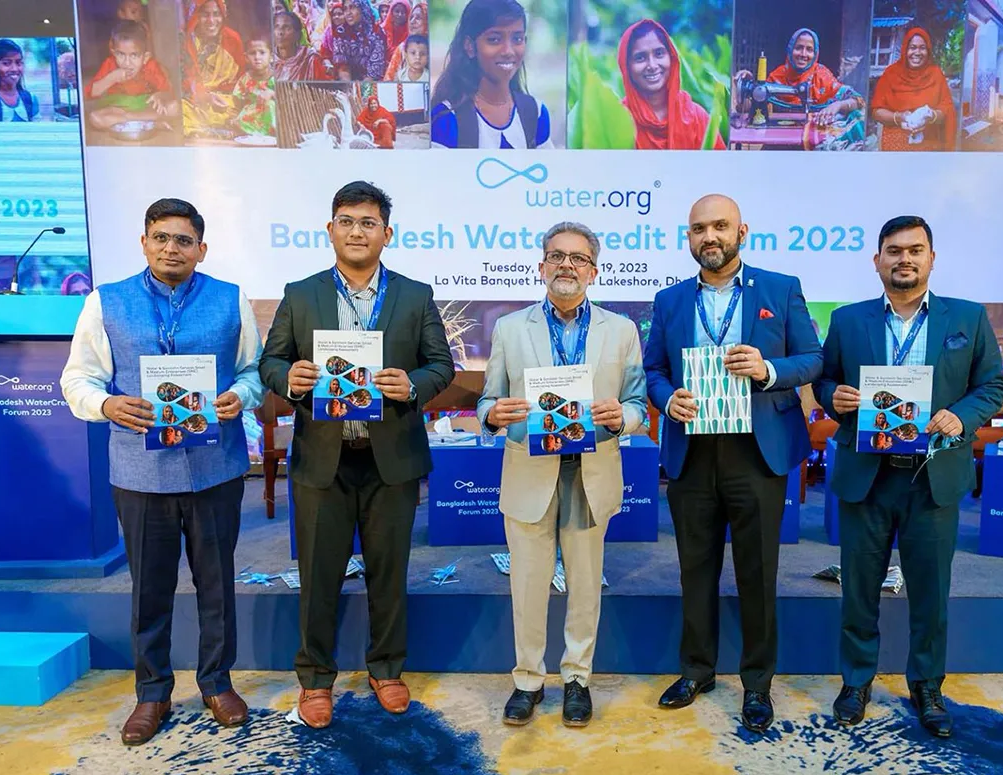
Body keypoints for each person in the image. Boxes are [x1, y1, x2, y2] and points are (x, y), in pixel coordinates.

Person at [60, 198, 264, 745]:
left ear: (202, 248)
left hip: (215, 470)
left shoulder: (230, 298)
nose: (171, 248)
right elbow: (78, 379)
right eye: (161, 238)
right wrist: (107, 404)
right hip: (140, 472)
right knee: (149, 588)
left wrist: (241, 396)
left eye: (183, 240)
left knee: (217, 584)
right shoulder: (106, 302)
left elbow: (252, 371)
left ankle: (217, 683)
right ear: (144, 243)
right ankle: (152, 693)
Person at [259, 181, 455, 728]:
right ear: (330, 230)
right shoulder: (301, 294)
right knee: (317, 575)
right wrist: (291, 379)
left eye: (368, 223)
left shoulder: (414, 295)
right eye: (346, 221)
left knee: (388, 573)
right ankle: (315, 679)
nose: (357, 231)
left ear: (386, 234)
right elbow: (270, 362)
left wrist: (412, 385)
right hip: (324, 456)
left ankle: (387, 670)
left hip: (391, 457)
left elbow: (441, 365)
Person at [816, 215, 1003, 738]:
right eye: (894, 251)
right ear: (877, 260)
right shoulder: (848, 320)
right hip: (868, 475)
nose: (905, 259)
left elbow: (993, 386)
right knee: (859, 589)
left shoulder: (967, 318)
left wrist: (961, 416)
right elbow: (825, 380)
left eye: (915, 250)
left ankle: (927, 686)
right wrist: (833, 397)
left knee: (930, 592)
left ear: (931, 258)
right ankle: (856, 681)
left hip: (933, 475)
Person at [643, 194, 822, 733]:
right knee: (694, 569)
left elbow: (813, 358)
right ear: (689, 238)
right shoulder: (670, 299)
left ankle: (757, 684)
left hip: (757, 450)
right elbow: (654, 369)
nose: (710, 236)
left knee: (757, 574)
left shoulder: (780, 289)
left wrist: (768, 369)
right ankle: (696, 671)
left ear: (742, 232)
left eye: (720, 226)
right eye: (699, 228)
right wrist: (666, 398)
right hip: (693, 449)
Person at [478, 222, 647, 729]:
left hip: (591, 473)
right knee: (528, 584)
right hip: (530, 471)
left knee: (585, 585)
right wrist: (494, 414)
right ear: (541, 266)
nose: (566, 265)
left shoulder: (621, 330)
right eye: (556, 256)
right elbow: (487, 400)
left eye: (578, 258)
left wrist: (623, 417)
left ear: (594, 270)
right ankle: (528, 680)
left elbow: (638, 402)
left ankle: (577, 678)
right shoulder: (511, 328)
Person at [430, 0, 553, 149]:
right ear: (470, 46)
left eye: (517, 39)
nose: (508, 51)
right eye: (494, 39)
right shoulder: (446, 119)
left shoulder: (535, 113)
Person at [739, 27, 864, 147]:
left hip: (816, 144)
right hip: (780, 141)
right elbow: (746, 107)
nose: (803, 54)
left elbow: (858, 101)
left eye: (809, 49)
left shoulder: (822, 76)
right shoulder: (777, 76)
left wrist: (838, 105)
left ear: (815, 53)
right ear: (790, 49)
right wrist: (747, 89)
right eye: (799, 48)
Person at [616, 19, 724, 150]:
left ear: (671, 58)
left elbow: (719, 161)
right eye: (640, 58)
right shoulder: (617, 119)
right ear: (626, 66)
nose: (652, 65)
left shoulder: (696, 117)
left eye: (659, 54)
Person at [870, 27, 956, 151]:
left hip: (929, 144)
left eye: (922, 48)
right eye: (912, 47)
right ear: (905, 49)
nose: (917, 52)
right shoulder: (891, 74)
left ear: (928, 51)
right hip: (895, 145)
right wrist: (899, 117)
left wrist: (931, 116)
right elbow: (877, 111)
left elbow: (946, 108)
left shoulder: (936, 74)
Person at [87, 21, 178, 132]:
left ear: (145, 57)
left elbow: (169, 93)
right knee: (95, 118)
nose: (127, 63)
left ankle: (131, 120)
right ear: (114, 53)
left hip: (144, 106)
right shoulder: (110, 64)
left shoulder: (151, 65)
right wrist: (111, 78)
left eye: (134, 55)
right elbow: (91, 93)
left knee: (174, 107)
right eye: (121, 54)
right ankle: (150, 123)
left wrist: (161, 95)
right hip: (117, 108)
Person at [182, 0, 245, 135]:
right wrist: (205, 97)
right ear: (196, 16)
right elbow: (186, 79)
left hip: (224, 101)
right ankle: (213, 131)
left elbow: (242, 80)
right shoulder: (187, 41)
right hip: (195, 99)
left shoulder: (232, 39)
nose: (211, 21)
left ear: (223, 16)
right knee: (180, 109)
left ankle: (207, 131)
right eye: (205, 15)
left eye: (216, 14)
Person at [319, 0, 387, 81]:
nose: (348, 13)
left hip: (371, 82)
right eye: (345, 9)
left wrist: (361, 88)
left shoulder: (377, 33)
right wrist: (349, 87)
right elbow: (343, 67)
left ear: (362, 8)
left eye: (352, 7)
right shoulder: (341, 32)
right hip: (348, 82)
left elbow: (374, 72)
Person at [229, 35, 276, 137]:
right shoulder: (245, 79)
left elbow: (287, 97)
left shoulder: (277, 78)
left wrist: (272, 94)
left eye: (262, 53)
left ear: (271, 57)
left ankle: (271, 133)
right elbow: (237, 100)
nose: (257, 57)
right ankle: (249, 132)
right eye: (252, 53)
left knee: (270, 105)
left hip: (272, 115)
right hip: (251, 116)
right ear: (246, 58)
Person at [273, 9, 332, 82]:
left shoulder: (310, 60)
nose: (280, 32)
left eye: (286, 27)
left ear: (298, 34)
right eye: (277, 27)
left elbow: (323, 86)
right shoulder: (268, 59)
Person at [0, 39, 39, 122]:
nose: (14, 69)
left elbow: (37, 128)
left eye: (18, 63)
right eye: (6, 63)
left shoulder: (31, 99)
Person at [384, 2, 427, 81]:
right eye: (411, 17)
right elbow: (389, 78)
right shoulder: (402, 48)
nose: (412, 21)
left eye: (418, 18)